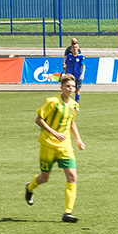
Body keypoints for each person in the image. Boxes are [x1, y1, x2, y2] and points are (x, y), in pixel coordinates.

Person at [24, 73, 84, 223]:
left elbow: (71, 122)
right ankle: (30, 188)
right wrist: (54, 133)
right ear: (61, 87)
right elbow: (39, 119)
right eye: (68, 86)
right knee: (44, 178)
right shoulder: (52, 102)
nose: (71, 89)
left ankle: (67, 213)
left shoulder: (74, 105)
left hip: (65, 147)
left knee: (73, 176)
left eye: (73, 86)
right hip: (48, 144)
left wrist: (78, 139)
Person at [63, 38, 86, 102]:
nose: (75, 48)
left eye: (76, 47)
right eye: (73, 47)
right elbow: (66, 65)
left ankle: (76, 104)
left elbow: (83, 66)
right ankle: (68, 103)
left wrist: (82, 74)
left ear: (78, 48)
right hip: (70, 76)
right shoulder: (69, 56)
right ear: (71, 48)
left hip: (78, 75)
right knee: (70, 90)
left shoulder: (81, 57)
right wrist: (66, 74)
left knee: (77, 90)